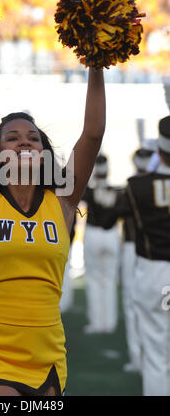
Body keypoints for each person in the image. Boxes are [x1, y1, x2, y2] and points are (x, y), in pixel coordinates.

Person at [0, 37, 106, 396]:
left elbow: (92, 134)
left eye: (33, 138)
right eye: (13, 138)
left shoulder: (61, 201)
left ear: (44, 153)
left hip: (47, 356)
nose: (25, 142)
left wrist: (97, 62)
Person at [113, 116, 170, 396]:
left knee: (157, 354)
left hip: (154, 272)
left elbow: (114, 212)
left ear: (158, 152)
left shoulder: (136, 186)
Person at [119, 147, 154, 373]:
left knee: (135, 305)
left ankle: (140, 360)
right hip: (155, 253)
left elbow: (112, 214)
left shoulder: (134, 187)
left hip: (139, 251)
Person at [82, 154, 121, 334]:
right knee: (109, 280)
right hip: (111, 235)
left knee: (94, 279)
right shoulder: (117, 190)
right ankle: (109, 323)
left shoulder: (89, 190)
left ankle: (97, 323)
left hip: (93, 234)